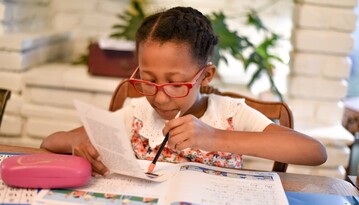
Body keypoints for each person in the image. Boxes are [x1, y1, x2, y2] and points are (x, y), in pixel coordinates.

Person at [40, 6, 327, 175]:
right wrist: (75, 146)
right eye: (149, 80)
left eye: (176, 84)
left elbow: (314, 152)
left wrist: (215, 137)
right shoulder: (136, 114)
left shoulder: (229, 115)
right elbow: (52, 142)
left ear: (206, 76)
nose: (160, 97)